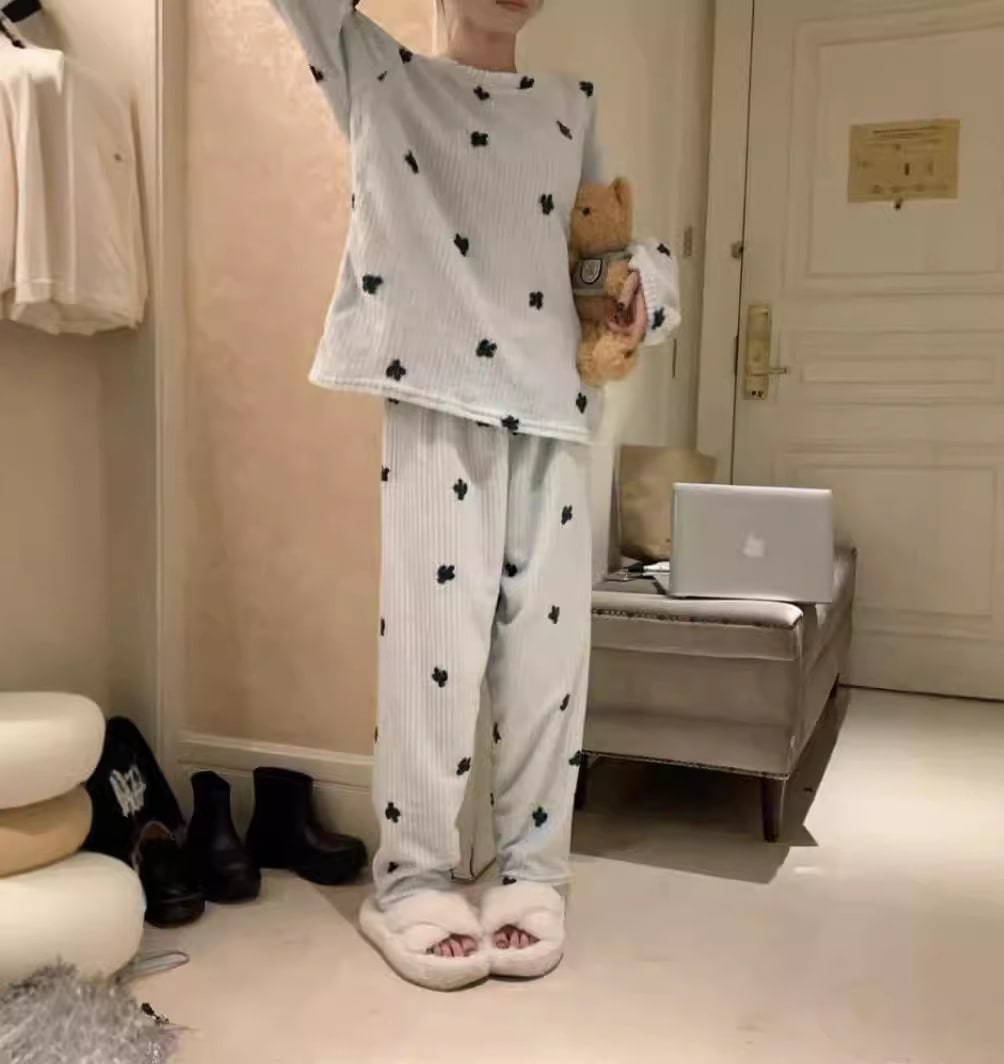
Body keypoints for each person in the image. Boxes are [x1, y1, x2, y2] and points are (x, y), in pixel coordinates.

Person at [269, 0, 680, 990]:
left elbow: (601, 248)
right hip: (436, 395)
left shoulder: (569, 106)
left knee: (546, 663)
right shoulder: (380, 74)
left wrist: (640, 290)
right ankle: (410, 878)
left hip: (551, 407)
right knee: (431, 648)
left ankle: (534, 872)